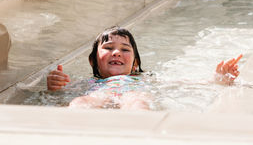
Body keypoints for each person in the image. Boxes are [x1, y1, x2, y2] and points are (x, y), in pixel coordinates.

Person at [47, 26, 242, 110]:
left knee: (137, 101)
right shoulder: (88, 84)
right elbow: (61, 93)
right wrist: (55, 85)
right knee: (81, 102)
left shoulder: (142, 80)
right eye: (108, 48)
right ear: (93, 61)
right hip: (99, 94)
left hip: (133, 93)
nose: (116, 52)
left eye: (124, 49)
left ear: (135, 64)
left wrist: (218, 78)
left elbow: (184, 84)